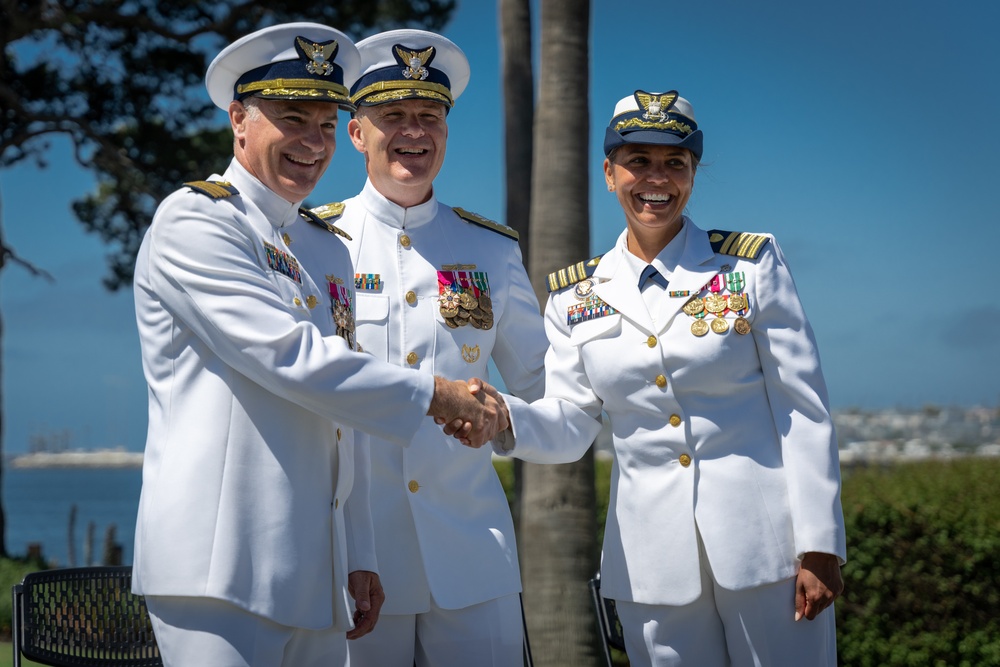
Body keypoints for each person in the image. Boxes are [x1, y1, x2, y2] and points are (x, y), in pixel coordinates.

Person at [131, 23, 505, 667]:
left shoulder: (323, 247)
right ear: (239, 121)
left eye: (327, 124)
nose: (312, 141)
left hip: (316, 569)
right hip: (217, 567)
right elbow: (289, 358)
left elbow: (344, 416)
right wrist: (437, 395)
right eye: (292, 118)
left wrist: (359, 555)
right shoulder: (196, 220)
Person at [490, 90, 846, 666]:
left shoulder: (750, 267)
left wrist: (820, 543)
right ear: (609, 173)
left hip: (768, 553)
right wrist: (504, 420)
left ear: (693, 173)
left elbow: (802, 409)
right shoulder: (573, 296)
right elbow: (572, 422)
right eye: (638, 161)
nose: (656, 178)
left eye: (674, 162)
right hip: (651, 561)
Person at [305, 28, 548, 667]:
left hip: (472, 560)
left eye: (429, 116)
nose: (414, 131)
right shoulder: (314, 244)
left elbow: (547, 387)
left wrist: (503, 421)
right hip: (355, 562)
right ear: (356, 132)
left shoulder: (492, 250)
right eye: (393, 116)